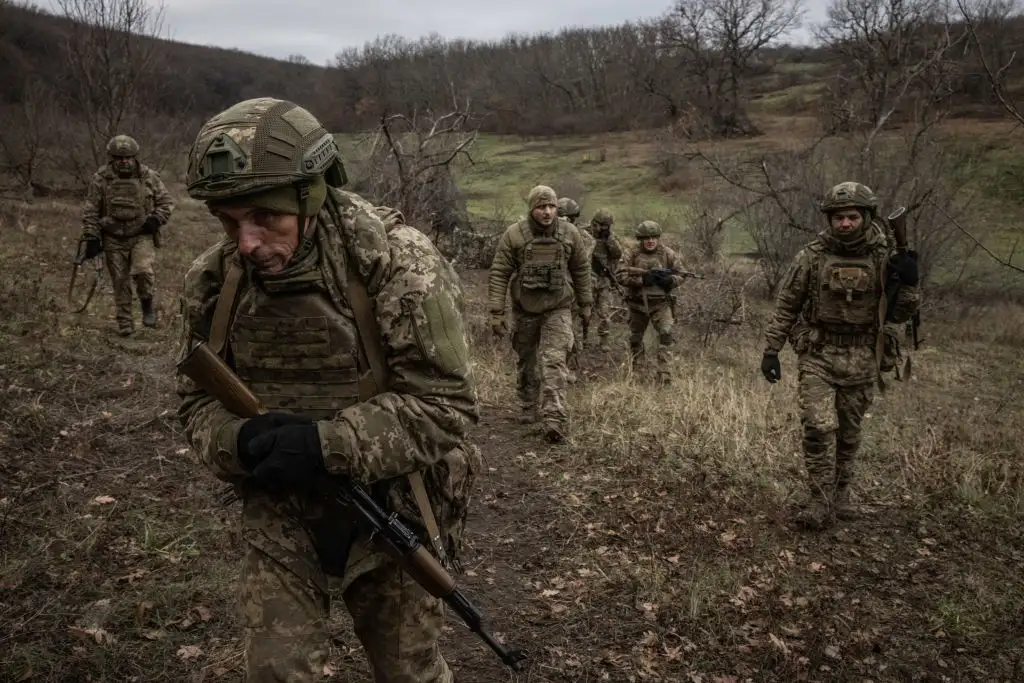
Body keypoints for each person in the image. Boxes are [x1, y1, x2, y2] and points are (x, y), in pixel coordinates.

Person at [174, 97, 480, 682]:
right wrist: (237, 443)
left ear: (310, 197)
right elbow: (193, 401)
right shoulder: (213, 281)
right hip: (279, 505)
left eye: (265, 219)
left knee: (406, 671)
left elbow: (446, 407)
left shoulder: (397, 264)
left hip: (391, 505)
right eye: (229, 221)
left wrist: (326, 444)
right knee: (276, 669)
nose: (245, 242)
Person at [760, 182, 920, 530]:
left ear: (865, 217)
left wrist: (909, 281)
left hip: (864, 354)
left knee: (850, 430)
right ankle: (818, 498)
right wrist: (771, 350)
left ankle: (842, 494)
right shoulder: (812, 256)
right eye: (838, 218)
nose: (845, 224)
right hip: (819, 353)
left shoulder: (884, 256)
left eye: (851, 217)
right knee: (818, 427)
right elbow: (787, 304)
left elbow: (900, 312)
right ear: (829, 220)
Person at [488, 185, 593, 442]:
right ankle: (527, 404)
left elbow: (580, 269)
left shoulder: (570, 233)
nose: (547, 212)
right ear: (532, 209)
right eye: (541, 207)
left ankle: (554, 418)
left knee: (555, 360)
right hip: (525, 309)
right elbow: (500, 272)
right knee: (527, 360)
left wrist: (586, 303)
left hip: (558, 307)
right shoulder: (514, 235)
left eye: (551, 206)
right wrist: (496, 311)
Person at [79, 135, 175, 335]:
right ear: (112, 158)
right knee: (120, 281)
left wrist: (155, 219)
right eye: (118, 158)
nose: (124, 161)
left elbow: (166, 202)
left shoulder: (148, 176)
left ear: (134, 157)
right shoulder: (101, 179)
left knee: (142, 271)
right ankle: (125, 323)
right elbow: (91, 210)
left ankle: (147, 304)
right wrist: (91, 237)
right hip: (112, 236)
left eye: (128, 157)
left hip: (141, 234)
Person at [615, 220, 686, 384]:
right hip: (636, 304)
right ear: (640, 239)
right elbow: (620, 276)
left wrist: (670, 281)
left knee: (666, 335)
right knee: (636, 339)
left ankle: (665, 375)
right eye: (646, 237)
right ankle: (638, 372)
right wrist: (642, 280)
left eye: (654, 237)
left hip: (661, 303)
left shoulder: (667, 253)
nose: (650, 241)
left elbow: (682, 274)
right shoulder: (630, 254)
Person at [558, 197, 593, 380]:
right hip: (555, 291)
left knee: (572, 331)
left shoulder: (583, 238)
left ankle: (570, 367)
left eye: (568, 218)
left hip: (574, 290)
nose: (564, 221)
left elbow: (580, 265)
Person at [582, 208, 623, 352]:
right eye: (602, 225)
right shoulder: (583, 234)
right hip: (586, 279)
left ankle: (603, 340)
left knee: (604, 313)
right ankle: (583, 338)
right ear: (595, 223)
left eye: (607, 226)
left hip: (604, 280)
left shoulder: (610, 238)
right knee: (585, 312)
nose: (604, 228)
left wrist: (608, 239)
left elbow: (618, 253)